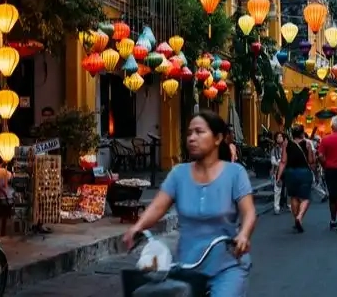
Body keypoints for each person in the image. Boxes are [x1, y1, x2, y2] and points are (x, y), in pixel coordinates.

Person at [123, 110, 256, 295]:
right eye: (189, 133)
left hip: (227, 264)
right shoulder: (179, 174)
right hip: (187, 265)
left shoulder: (235, 173)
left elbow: (248, 212)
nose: (192, 138)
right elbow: (158, 206)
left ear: (217, 138)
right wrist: (137, 227)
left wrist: (243, 235)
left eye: (199, 132)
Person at [276, 125, 315, 233]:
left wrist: (278, 176)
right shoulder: (307, 143)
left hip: (290, 173)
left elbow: (283, 161)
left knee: (294, 197)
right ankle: (300, 217)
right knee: (306, 198)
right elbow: (311, 161)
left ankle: (296, 219)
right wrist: (314, 169)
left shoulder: (286, 144)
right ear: (302, 133)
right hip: (304, 172)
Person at [270, 132, 289, 214]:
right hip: (278, 171)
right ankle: (276, 207)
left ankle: (289, 205)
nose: (279, 138)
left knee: (289, 189)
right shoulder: (274, 149)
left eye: (281, 136)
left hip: (288, 170)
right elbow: (273, 161)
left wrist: (282, 162)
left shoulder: (288, 148)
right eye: (278, 137)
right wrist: (280, 162)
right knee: (277, 189)